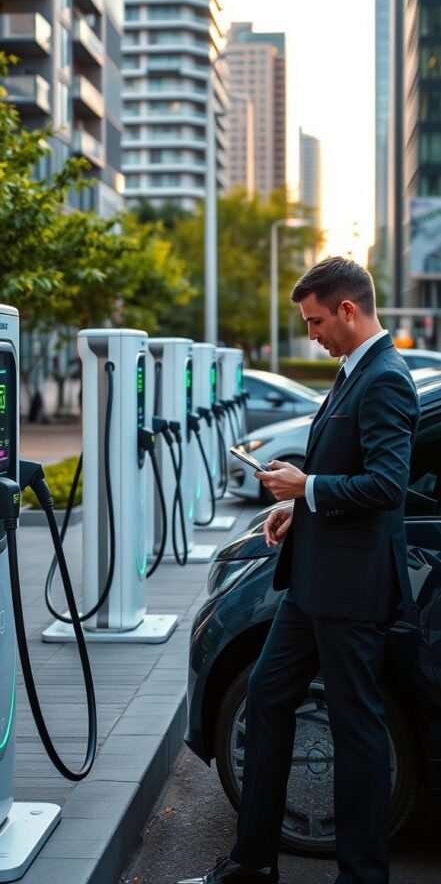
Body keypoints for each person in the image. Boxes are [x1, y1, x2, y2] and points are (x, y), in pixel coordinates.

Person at [178, 257, 419, 884]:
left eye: (315, 321)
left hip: (351, 589)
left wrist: (307, 487)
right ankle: (253, 862)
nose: (310, 334)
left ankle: (361, 876)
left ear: (347, 309)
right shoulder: (352, 373)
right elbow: (348, 476)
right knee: (265, 695)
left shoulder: (386, 378)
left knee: (357, 729)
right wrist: (298, 509)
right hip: (311, 582)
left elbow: (388, 485)